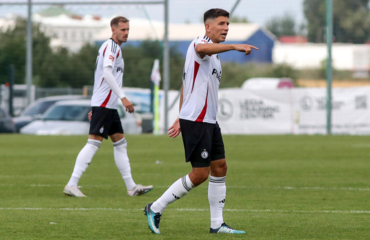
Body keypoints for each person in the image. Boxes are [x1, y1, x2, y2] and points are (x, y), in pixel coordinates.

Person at [144, 8, 258, 234]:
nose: (226, 28)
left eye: (228, 24)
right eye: (222, 24)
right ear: (208, 26)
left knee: (220, 167)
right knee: (200, 174)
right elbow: (201, 48)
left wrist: (179, 116)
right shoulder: (200, 43)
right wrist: (235, 46)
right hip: (197, 121)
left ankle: (217, 224)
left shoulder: (214, 56)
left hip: (207, 120)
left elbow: (187, 84)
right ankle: (155, 208)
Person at [63, 16, 153, 197]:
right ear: (113, 30)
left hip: (108, 106)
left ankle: (131, 187)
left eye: (128, 30)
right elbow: (106, 73)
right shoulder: (111, 46)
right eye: (123, 30)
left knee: (120, 144)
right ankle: (71, 184)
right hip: (105, 104)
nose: (126, 33)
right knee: (93, 143)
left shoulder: (115, 48)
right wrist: (123, 98)